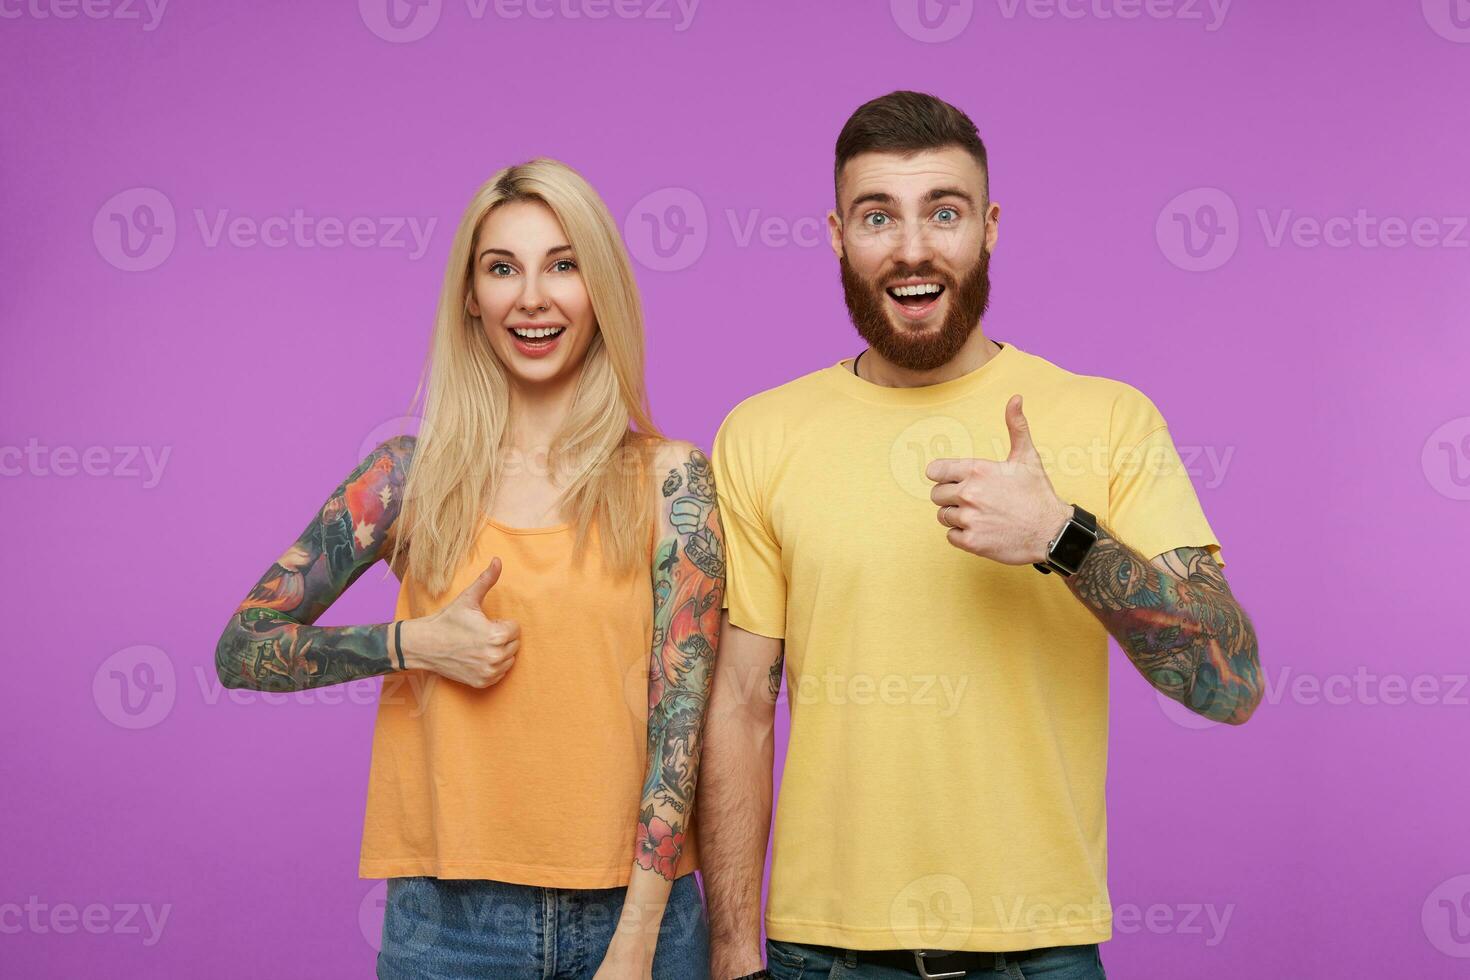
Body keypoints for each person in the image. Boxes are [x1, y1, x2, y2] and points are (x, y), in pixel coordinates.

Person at [698, 91, 1263, 980]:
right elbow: (738, 703)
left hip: (1039, 951)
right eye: (877, 215)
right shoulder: (760, 433)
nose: (913, 247)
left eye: (945, 212)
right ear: (837, 236)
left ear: (990, 226)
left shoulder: (1110, 418)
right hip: (825, 952)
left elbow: (1229, 685)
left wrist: (1064, 536)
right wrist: (731, 949)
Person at [214, 158, 724, 980]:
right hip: (448, 924)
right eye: (502, 268)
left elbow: (681, 728)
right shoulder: (406, 477)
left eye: (564, 264)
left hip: (636, 918)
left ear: (601, 292)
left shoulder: (673, 481)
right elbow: (241, 647)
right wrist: (413, 643)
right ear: (471, 299)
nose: (532, 296)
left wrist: (638, 937)